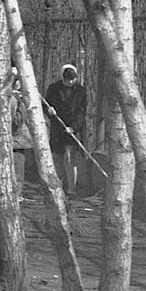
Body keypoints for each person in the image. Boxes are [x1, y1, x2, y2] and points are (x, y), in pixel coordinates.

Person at [44, 63, 88, 195]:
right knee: (57, 157)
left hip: (72, 128)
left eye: (72, 80)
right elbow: (46, 104)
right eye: (66, 80)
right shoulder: (53, 89)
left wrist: (73, 127)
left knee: (69, 157)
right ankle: (58, 185)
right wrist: (49, 110)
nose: (69, 82)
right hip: (58, 127)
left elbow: (81, 112)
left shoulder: (80, 91)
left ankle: (71, 189)